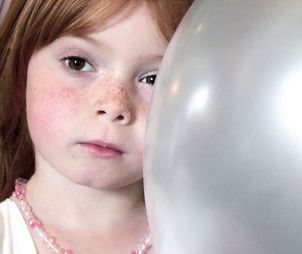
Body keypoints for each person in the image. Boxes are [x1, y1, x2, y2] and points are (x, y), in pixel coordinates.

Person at [0, 0, 193, 253]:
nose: (113, 105)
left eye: (153, 79)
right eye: (77, 63)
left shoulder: (212, 239)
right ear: (22, 67)